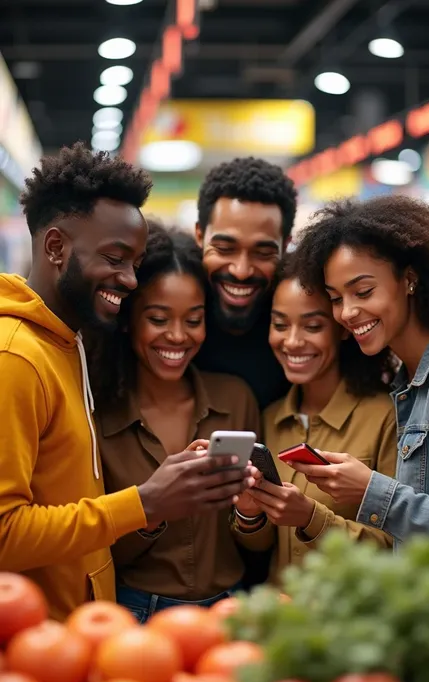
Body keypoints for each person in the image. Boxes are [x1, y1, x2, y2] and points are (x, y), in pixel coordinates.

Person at [0, 144, 254, 621]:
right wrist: (145, 503)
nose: (130, 280)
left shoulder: (65, 344)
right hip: (36, 640)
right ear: (56, 247)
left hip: (79, 632)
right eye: (115, 258)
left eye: (135, 264)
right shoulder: (15, 355)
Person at [88, 221, 263, 619]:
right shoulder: (98, 414)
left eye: (194, 319)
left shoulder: (235, 400)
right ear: (129, 319)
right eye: (159, 318)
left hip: (229, 609)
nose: (178, 336)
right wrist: (154, 507)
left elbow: (257, 545)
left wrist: (251, 512)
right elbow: (98, 548)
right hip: (132, 612)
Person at [289, 195, 429, 555]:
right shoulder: (405, 377)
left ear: (409, 280)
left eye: (363, 291)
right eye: (336, 298)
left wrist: (370, 491)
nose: (348, 312)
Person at [231, 260, 397, 580]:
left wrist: (311, 518)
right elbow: (263, 546)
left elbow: (398, 546)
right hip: (282, 617)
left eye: (312, 326)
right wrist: (249, 514)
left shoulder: (385, 416)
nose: (292, 341)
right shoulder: (269, 417)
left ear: (341, 328)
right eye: (280, 324)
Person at [194, 156, 298, 411]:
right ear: (199, 235)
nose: (241, 271)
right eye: (225, 248)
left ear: (286, 245)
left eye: (263, 253)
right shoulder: (169, 302)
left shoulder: (302, 321)